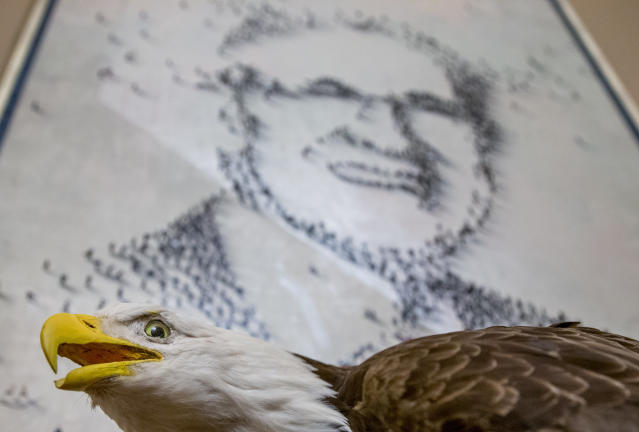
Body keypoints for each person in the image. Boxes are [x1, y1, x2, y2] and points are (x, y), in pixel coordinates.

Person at [67, 7, 559, 362]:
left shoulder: (535, 334)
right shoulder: (114, 300)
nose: (390, 136)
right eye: (332, 93)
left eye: (432, 108)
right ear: (237, 117)